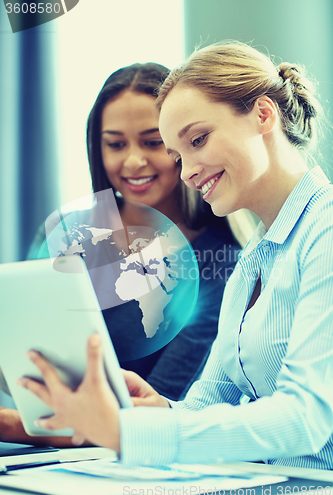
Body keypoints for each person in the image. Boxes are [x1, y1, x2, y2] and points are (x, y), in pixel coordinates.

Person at [19, 40, 333, 468]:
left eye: (198, 140)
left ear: (264, 114)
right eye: (179, 156)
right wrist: (160, 409)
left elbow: (305, 420)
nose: (187, 173)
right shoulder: (256, 256)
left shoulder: (325, 232)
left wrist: (126, 431)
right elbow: (208, 400)